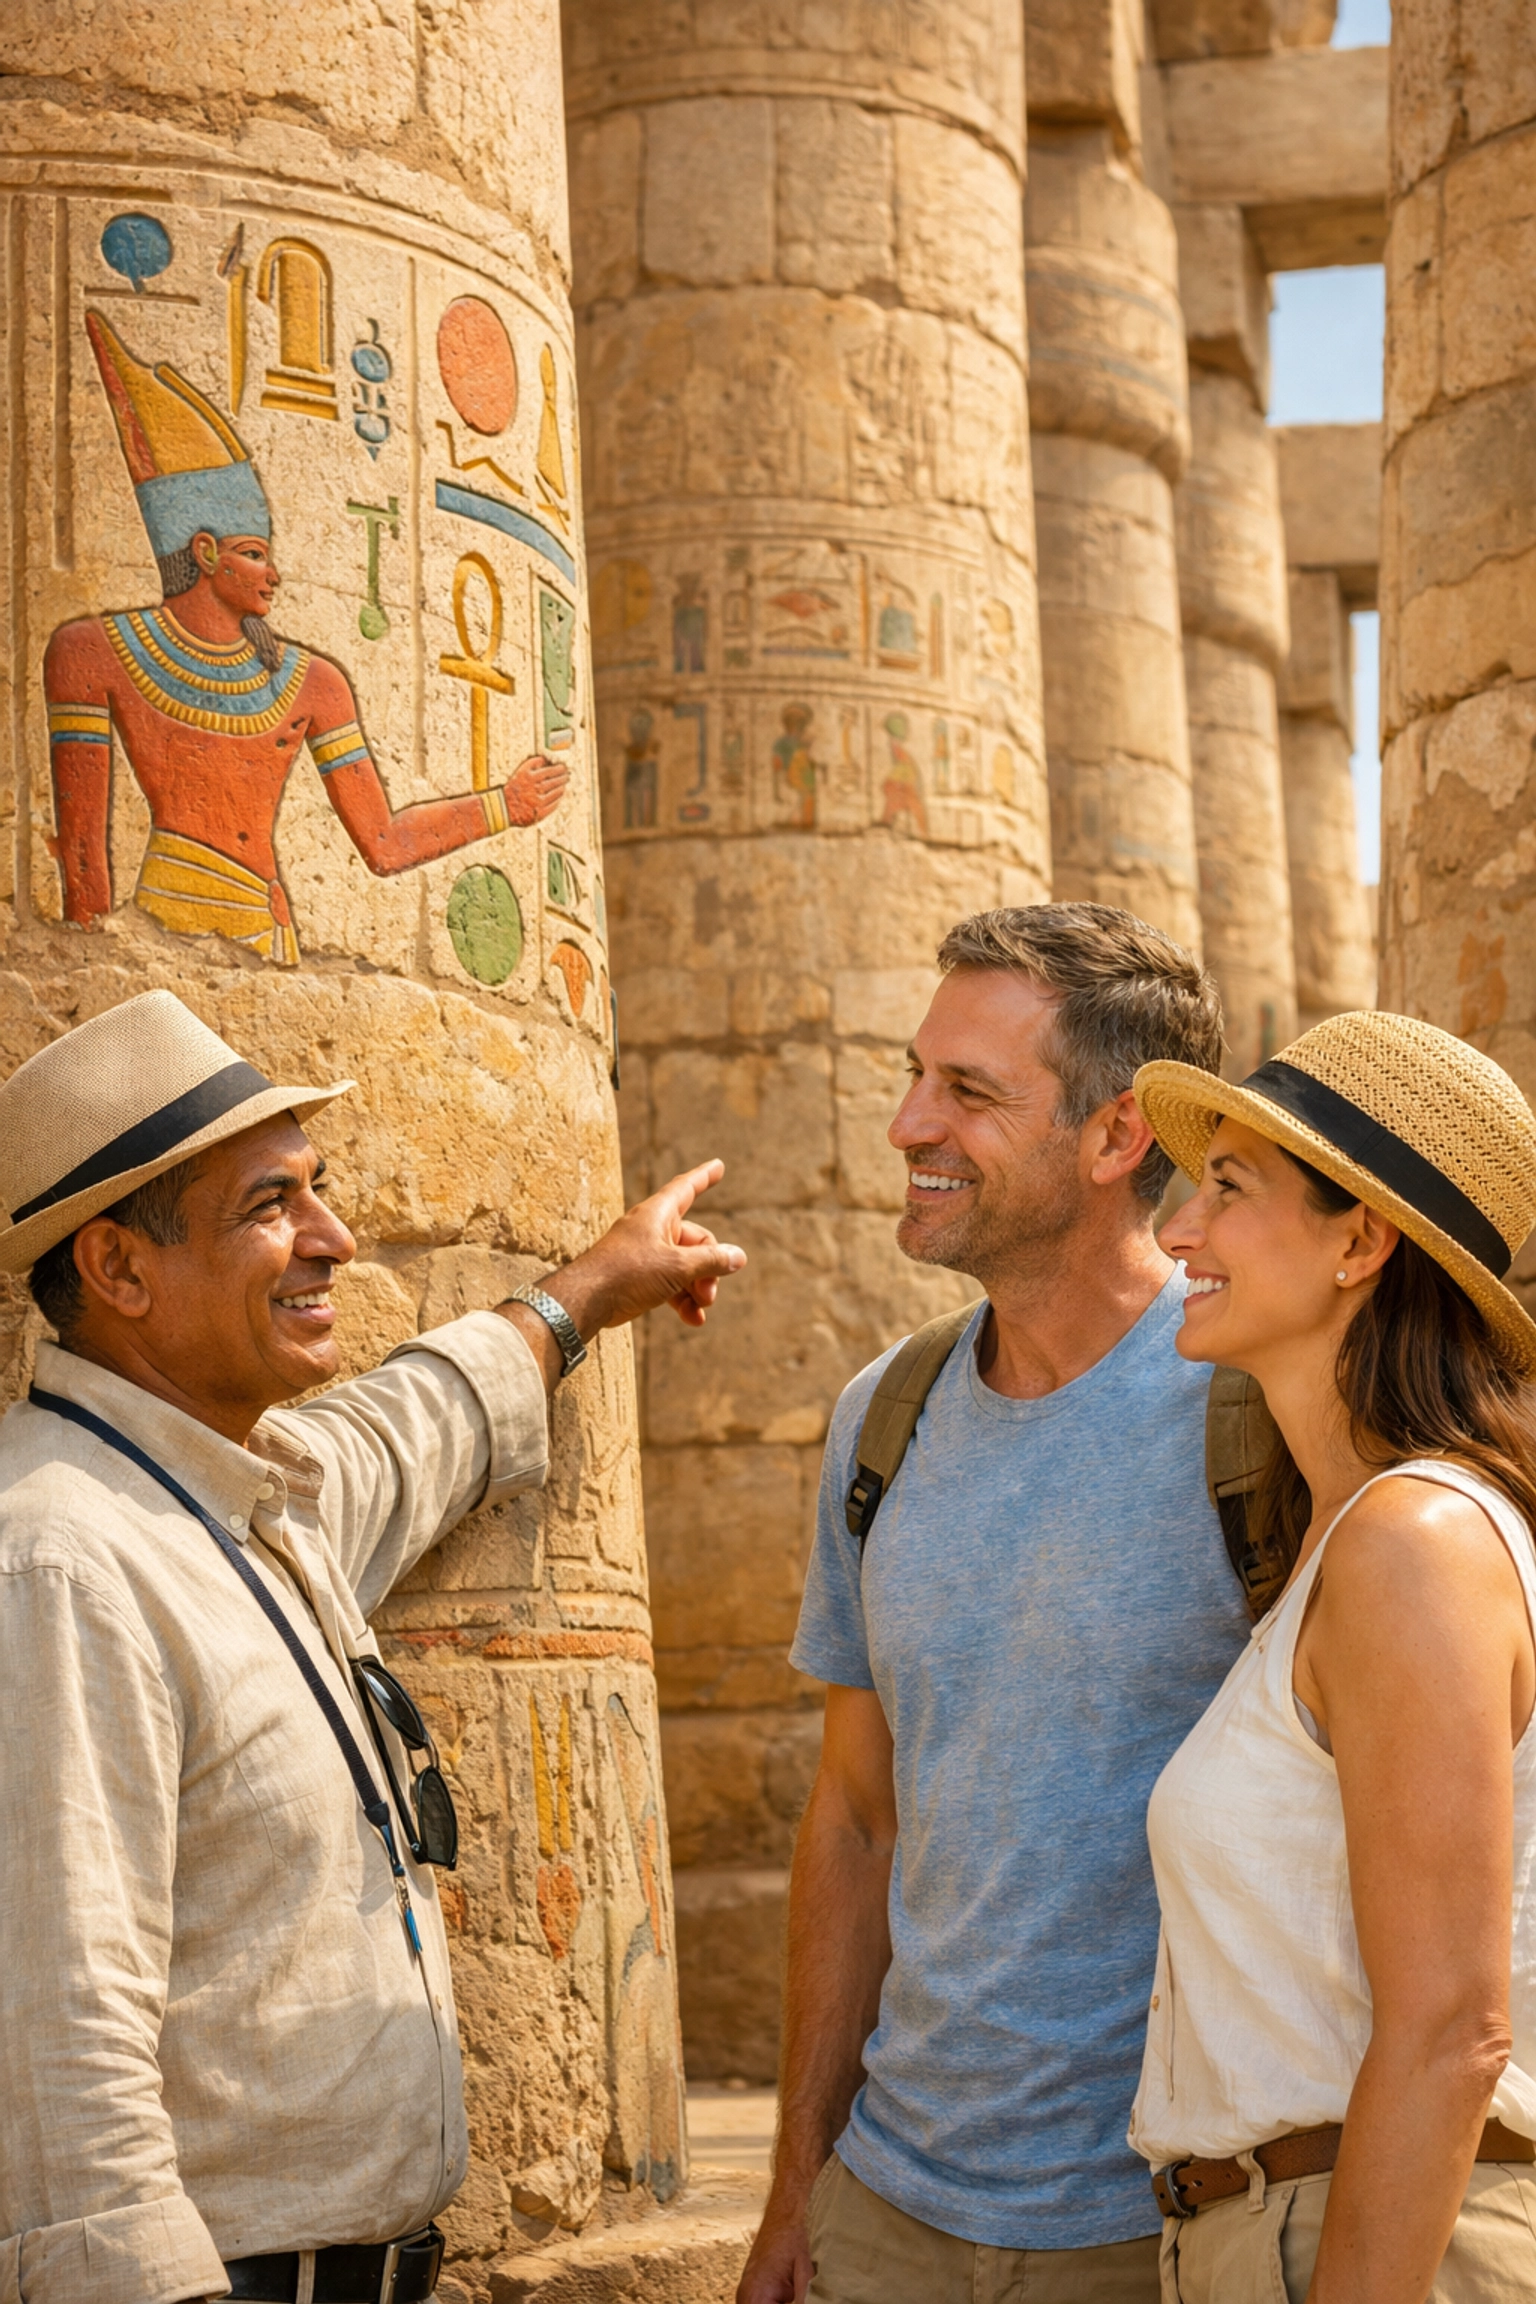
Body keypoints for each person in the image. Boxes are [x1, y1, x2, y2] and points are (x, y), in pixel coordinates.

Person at [0, 988, 744, 2304]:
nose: (334, 1241)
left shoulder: (245, 1494)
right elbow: (60, 2029)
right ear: (119, 1270)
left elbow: (420, 1422)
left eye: (316, 1191)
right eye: (269, 1205)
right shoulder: (62, 1558)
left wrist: (592, 1292)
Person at [738, 904, 1250, 2304]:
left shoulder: (1257, 1411)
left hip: (1153, 2225)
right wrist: (799, 2184)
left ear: (1114, 1136)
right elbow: (853, 1815)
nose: (908, 1123)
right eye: (917, 1074)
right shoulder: (880, 1421)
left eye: (968, 1092)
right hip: (888, 2212)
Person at [1128, 1010, 1536, 2304]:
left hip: (1377, 2243)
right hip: (1289, 2233)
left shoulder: (1410, 1541)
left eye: (1230, 1190)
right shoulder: (1348, 1541)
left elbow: (1448, 2035)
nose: (1175, 1232)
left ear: (1361, 1240)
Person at [45, 311, 565, 964]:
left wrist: (503, 805)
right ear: (206, 554)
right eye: (255, 554)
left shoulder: (312, 682)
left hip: (268, 933)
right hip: (159, 926)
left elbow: (385, 843)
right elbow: (85, 857)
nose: (274, 575)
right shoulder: (92, 652)